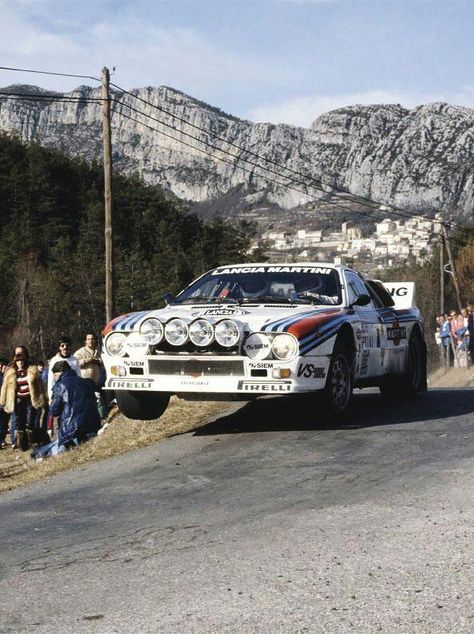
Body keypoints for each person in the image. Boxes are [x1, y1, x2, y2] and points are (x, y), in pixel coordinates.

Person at [32, 361, 101, 460]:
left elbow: (54, 411)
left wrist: (51, 404)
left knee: (60, 447)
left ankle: (38, 453)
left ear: (60, 372)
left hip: (72, 430)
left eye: (55, 375)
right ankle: (39, 452)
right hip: (93, 426)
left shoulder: (60, 386)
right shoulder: (86, 382)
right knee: (58, 443)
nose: (55, 378)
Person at [0, 351, 48, 450]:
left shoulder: (31, 371)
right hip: (18, 400)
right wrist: (3, 400)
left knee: (30, 421)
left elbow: (40, 385)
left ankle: (32, 441)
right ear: (15, 362)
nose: (20, 363)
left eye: (21, 361)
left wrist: (43, 397)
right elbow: (5, 387)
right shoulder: (11, 373)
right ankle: (23, 444)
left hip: (30, 398)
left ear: (24, 361)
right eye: (18, 361)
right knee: (19, 422)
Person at [0, 358, 9, 448]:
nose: (2, 367)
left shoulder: (7, 377)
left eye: (4, 365)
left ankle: (2, 439)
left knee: (5, 423)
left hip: (6, 402)